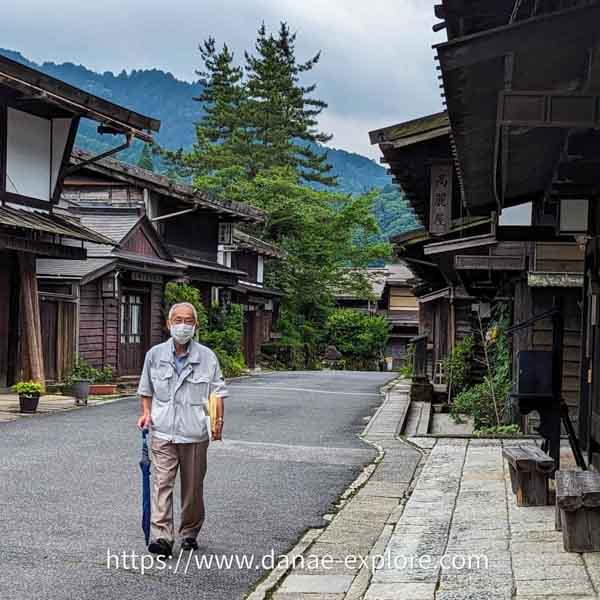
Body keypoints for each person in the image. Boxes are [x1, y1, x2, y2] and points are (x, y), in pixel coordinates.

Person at [137, 301, 227, 556]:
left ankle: (189, 531)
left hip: (195, 433)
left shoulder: (207, 357)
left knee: (192, 488)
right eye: (177, 320)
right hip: (163, 431)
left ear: (195, 325)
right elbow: (146, 390)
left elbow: (217, 393)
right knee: (161, 483)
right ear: (168, 324)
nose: (183, 325)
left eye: (188, 320)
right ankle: (162, 537)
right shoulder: (154, 355)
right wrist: (146, 413)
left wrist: (218, 422)